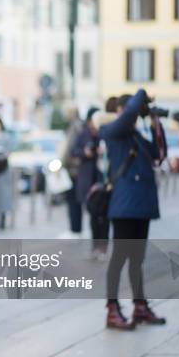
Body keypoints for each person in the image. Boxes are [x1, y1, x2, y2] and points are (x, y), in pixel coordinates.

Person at [101, 89, 166, 330]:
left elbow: (158, 153)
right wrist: (143, 95)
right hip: (124, 207)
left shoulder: (136, 136)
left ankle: (140, 305)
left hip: (141, 206)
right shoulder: (113, 131)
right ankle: (112, 309)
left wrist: (155, 122)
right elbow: (128, 115)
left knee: (137, 259)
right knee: (119, 258)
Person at [71, 107, 109, 260]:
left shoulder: (105, 133)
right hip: (87, 182)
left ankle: (103, 247)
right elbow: (73, 151)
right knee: (93, 216)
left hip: (103, 180)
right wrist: (84, 152)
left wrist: (103, 151)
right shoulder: (82, 134)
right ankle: (95, 247)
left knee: (104, 216)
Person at [61, 107, 84, 237]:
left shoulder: (75, 127)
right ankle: (76, 228)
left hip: (73, 169)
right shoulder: (77, 126)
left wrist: (63, 163)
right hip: (74, 168)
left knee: (73, 200)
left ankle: (75, 229)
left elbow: (69, 149)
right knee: (74, 200)